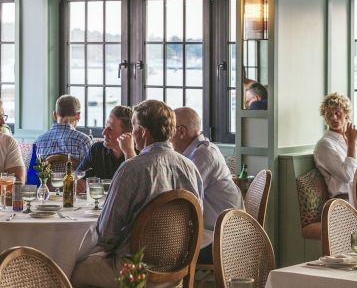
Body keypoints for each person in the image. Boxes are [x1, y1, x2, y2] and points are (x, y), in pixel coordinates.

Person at [71, 99, 203, 288]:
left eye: (133, 127)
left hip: (133, 271)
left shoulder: (132, 169)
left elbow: (106, 236)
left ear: (143, 132)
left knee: (68, 268)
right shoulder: (190, 168)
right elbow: (196, 220)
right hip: (176, 271)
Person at [172, 106, 244, 263]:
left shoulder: (204, 154)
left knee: (156, 250)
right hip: (213, 232)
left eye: (168, 129)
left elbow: (181, 195)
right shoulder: (192, 153)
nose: (166, 137)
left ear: (181, 132)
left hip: (222, 240)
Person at [313, 92, 357, 198]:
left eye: (338, 113)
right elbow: (349, 177)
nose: (334, 118)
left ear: (347, 115)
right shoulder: (325, 144)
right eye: (329, 114)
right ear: (325, 119)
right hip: (343, 201)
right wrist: (351, 143)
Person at [76, 105, 134, 179]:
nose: (103, 133)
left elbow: (137, 183)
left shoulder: (139, 154)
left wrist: (129, 152)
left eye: (110, 129)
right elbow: (77, 175)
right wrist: (79, 181)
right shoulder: (97, 149)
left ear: (126, 134)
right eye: (105, 126)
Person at [35, 94, 91, 162]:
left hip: (47, 173)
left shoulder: (39, 141)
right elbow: (91, 169)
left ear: (55, 115)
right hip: (73, 173)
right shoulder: (83, 141)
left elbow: (34, 169)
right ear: (78, 116)